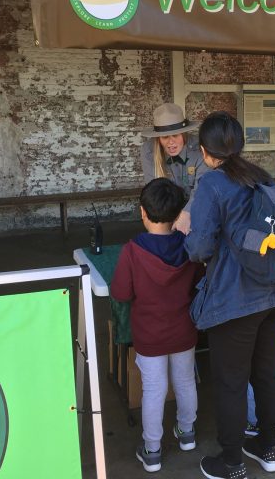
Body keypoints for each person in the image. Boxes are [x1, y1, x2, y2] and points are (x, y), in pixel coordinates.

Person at [186, 111, 275, 479]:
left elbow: (199, 247)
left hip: (236, 299)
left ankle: (231, 463)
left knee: (231, 381)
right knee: (267, 374)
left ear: (203, 150)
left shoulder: (211, 184)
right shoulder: (262, 177)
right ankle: (268, 448)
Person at [110, 178, 205, 472]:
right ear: (179, 214)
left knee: (154, 389)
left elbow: (121, 293)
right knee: (185, 380)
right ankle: (186, 433)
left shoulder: (132, 251)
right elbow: (199, 282)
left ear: (142, 212)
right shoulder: (190, 246)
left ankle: (152, 451)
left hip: (149, 336)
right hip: (184, 330)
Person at [141, 103, 208, 234]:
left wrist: (186, 214)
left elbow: (202, 188)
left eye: (176, 135)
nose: (171, 142)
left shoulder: (199, 149)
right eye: (165, 137)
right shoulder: (149, 151)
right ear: (158, 138)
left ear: (184, 134)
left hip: (197, 208)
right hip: (166, 212)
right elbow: (155, 192)